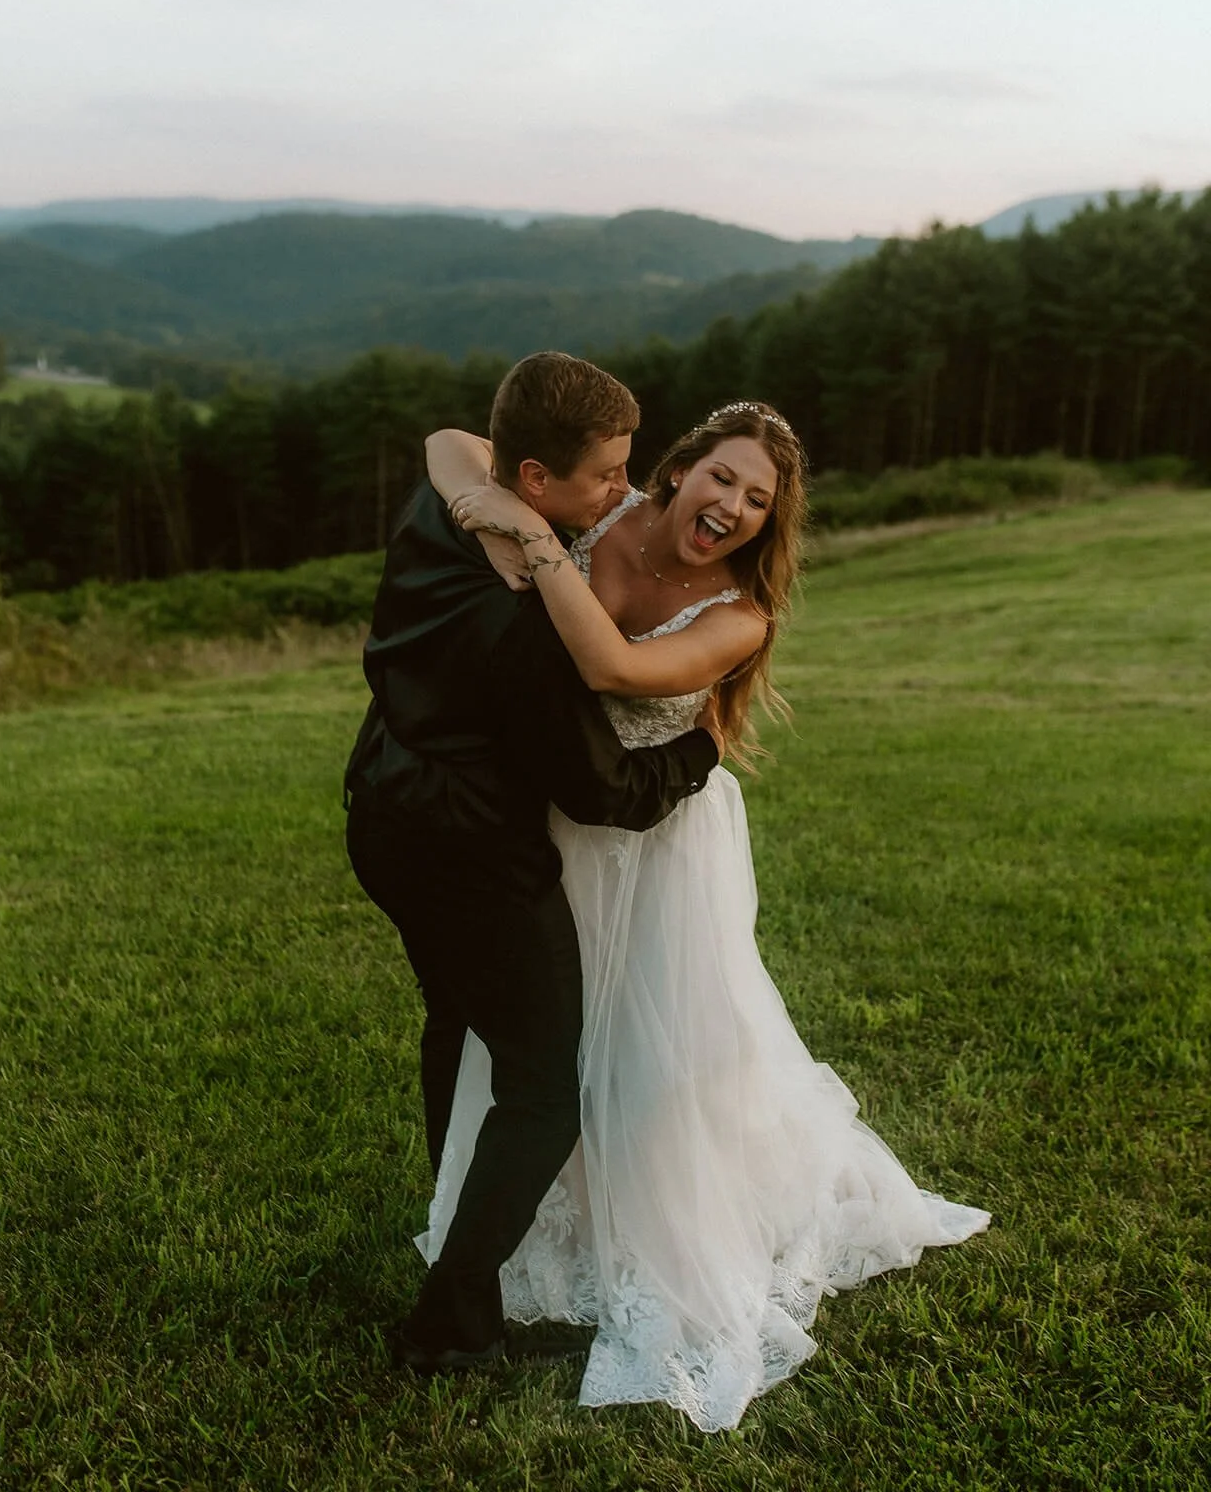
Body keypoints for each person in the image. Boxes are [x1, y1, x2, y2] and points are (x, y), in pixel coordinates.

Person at [423, 400, 990, 1431]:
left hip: (654, 847)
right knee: (537, 1038)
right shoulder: (607, 512)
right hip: (547, 825)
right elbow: (451, 444)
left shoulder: (738, 614)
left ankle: (657, 1222)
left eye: (757, 499)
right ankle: (512, 1224)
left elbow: (614, 671)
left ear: (771, 522)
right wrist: (486, 495)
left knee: (653, 1052)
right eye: (720, 477)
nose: (730, 505)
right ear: (675, 469)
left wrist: (530, 541)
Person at [344, 352, 724, 1375]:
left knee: (453, 1016)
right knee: (545, 1083)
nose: (624, 490)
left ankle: (450, 1215)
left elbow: (450, 448)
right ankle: (452, 1320)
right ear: (534, 483)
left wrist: (487, 494)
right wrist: (697, 752)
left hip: (378, 804)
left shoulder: (450, 508)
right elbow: (604, 790)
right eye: (605, 473)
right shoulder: (529, 619)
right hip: (467, 849)